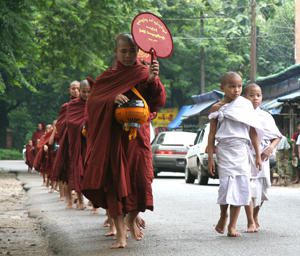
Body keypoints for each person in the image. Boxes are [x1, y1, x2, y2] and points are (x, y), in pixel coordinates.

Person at [82, 33, 166, 248]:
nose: (128, 55)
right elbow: (93, 103)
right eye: (123, 51)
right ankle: (120, 235)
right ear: (116, 52)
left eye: (132, 51)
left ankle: (131, 218)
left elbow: (157, 101)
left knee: (142, 179)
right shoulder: (107, 77)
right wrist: (111, 99)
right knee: (115, 184)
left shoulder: (143, 71)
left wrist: (152, 80)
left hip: (138, 139)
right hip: (115, 140)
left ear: (138, 51)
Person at [207, 72, 262, 237]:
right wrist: (211, 157)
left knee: (241, 186)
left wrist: (257, 155)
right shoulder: (217, 108)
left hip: (241, 150)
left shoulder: (245, 105)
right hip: (224, 150)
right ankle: (223, 215)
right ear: (222, 87)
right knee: (225, 185)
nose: (236, 90)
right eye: (232, 86)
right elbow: (211, 134)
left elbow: (252, 132)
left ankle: (232, 225)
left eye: (239, 86)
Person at [244, 83, 282, 232]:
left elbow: (277, 136)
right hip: (246, 154)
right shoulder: (240, 114)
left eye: (258, 95)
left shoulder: (265, 115)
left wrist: (270, 148)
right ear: (244, 97)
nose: (255, 98)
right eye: (251, 95)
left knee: (262, 189)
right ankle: (250, 220)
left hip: (263, 157)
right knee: (247, 187)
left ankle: (255, 215)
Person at [51, 80, 80, 205]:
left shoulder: (88, 105)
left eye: (78, 88)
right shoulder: (66, 107)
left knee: (82, 170)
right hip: (69, 142)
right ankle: (69, 198)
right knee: (68, 170)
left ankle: (81, 199)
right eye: (73, 88)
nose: (76, 91)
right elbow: (60, 124)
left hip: (82, 141)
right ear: (69, 90)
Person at [65, 80, 91, 209]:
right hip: (78, 143)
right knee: (78, 171)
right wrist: (82, 125)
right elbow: (70, 122)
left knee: (93, 172)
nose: (86, 94)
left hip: (92, 144)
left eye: (89, 92)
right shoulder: (73, 105)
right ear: (79, 92)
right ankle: (80, 200)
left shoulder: (96, 103)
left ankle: (94, 201)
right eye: (84, 92)